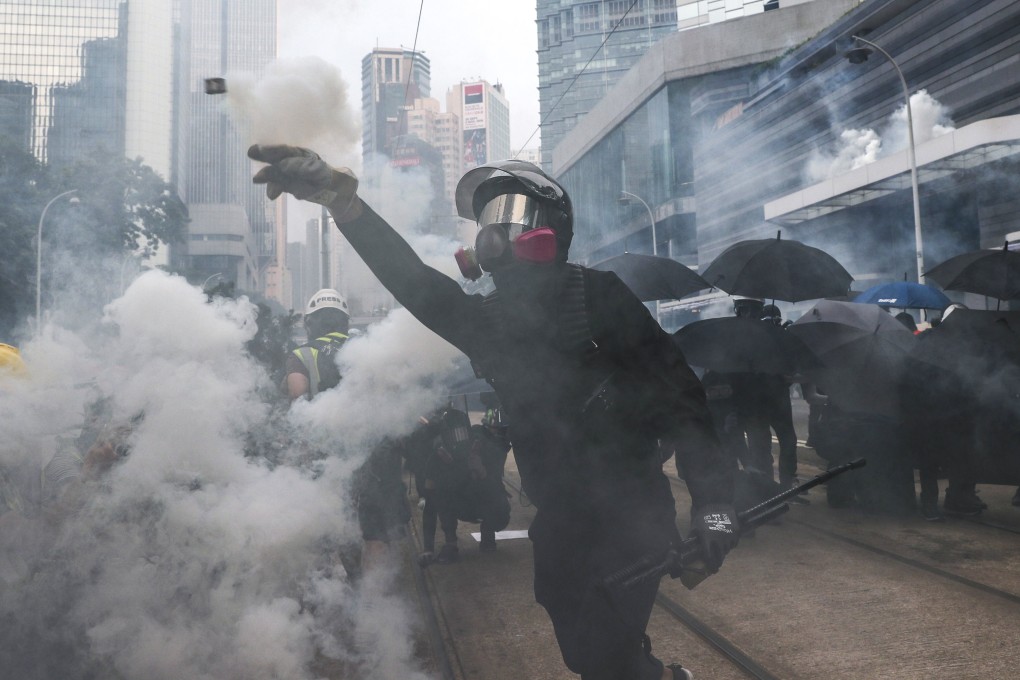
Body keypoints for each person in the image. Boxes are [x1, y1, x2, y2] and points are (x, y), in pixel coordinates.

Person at [250, 145, 738, 680]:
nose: (495, 234)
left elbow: (682, 397)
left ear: (551, 233)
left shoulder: (602, 299)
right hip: (560, 522)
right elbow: (414, 282)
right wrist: (343, 205)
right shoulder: (491, 324)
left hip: (630, 515)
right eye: (489, 222)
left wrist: (713, 503)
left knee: (605, 658)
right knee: (583, 653)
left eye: (513, 216)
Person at [285, 289, 408, 575]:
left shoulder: (302, 354)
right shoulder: (367, 349)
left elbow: (297, 395)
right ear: (344, 322)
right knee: (375, 530)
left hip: (325, 455)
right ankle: (372, 600)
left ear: (309, 323)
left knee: (325, 527)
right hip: (373, 452)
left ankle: (331, 591)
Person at [418, 406, 511, 564]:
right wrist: (428, 548)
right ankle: (450, 543)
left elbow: (497, 487)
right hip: (457, 505)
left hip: (482, 502)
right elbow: (429, 505)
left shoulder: (482, 448)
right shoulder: (437, 458)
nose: (458, 438)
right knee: (438, 495)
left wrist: (481, 471)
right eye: (453, 434)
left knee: (498, 502)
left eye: (462, 432)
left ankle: (488, 534)